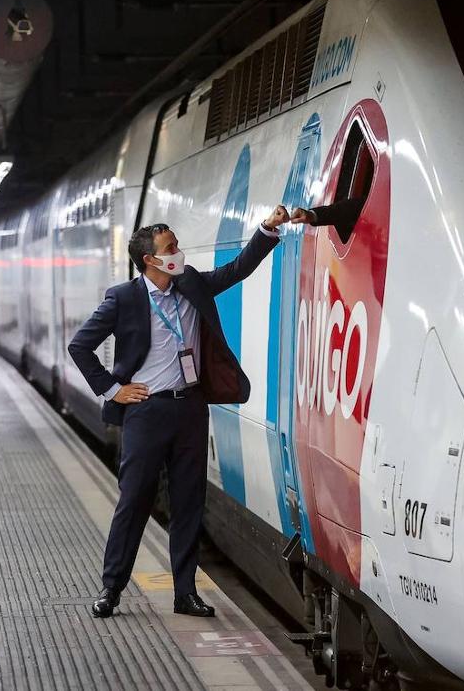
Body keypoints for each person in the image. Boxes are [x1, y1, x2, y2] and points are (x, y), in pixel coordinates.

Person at [68, 207, 289, 619]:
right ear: (150, 260)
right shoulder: (124, 298)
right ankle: (111, 588)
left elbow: (237, 269)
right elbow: (80, 345)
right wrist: (114, 390)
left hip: (189, 408)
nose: (179, 252)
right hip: (146, 412)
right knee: (134, 501)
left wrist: (266, 230)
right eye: (171, 248)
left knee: (190, 502)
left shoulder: (190, 286)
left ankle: (185, 592)